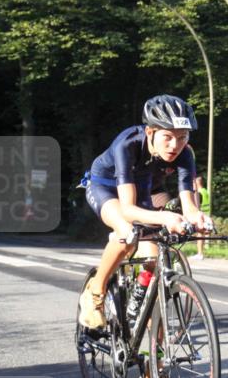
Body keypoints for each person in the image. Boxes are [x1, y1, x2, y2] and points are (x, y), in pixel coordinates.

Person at [79, 94, 210, 333]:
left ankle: (153, 364)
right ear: (150, 132)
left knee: (152, 257)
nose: (175, 145)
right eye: (167, 137)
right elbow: (128, 210)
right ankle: (95, 293)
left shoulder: (185, 153)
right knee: (127, 232)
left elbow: (189, 204)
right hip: (105, 186)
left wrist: (198, 217)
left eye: (182, 137)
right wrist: (166, 218)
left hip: (142, 189)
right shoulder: (127, 145)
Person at [191, 175, 211, 260]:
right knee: (201, 235)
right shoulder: (205, 191)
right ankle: (200, 253)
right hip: (206, 215)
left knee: (199, 235)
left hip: (201, 216)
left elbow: (197, 205)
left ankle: (200, 254)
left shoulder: (199, 193)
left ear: (197, 183)